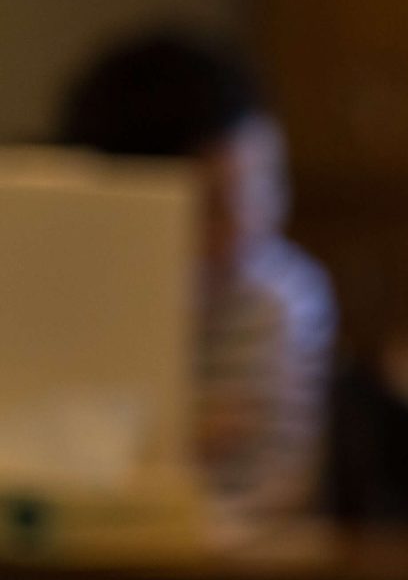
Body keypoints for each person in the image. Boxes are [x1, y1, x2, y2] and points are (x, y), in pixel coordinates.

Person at [56, 28, 335, 514]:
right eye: (211, 208)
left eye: (265, 188)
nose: (247, 232)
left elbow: (272, 498)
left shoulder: (279, 300)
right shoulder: (64, 293)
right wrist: (168, 450)